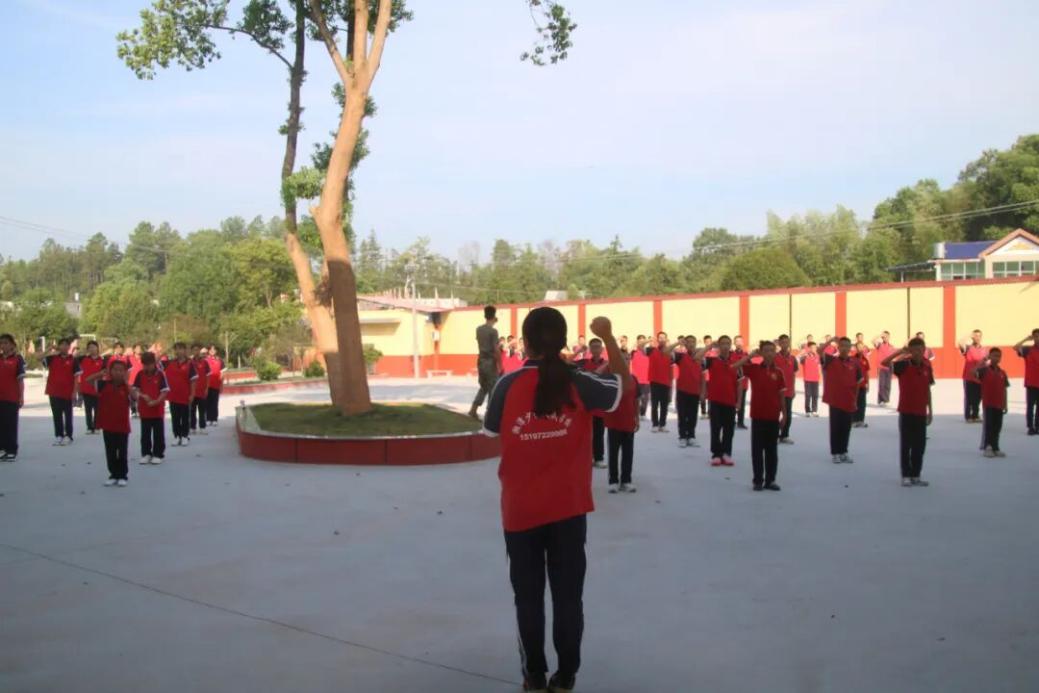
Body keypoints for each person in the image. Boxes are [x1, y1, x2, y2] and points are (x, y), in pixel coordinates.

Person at [483, 308, 629, 693]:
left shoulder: (507, 385)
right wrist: (607, 335)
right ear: (564, 342)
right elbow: (623, 385)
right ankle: (565, 677)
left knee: (527, 598)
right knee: (568, 598)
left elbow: (491, 430)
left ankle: (533, 675)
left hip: (520, 511)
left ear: (525, 342)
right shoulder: (580, 381)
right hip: (568, 510)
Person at [735, 342, 787, 491]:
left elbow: (782, 395)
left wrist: (785, 415)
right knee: (757, 451)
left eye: (772, 350)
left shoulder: (779, 372)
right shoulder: (754, 369)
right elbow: (736, 366)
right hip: (758, 416)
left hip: (773, 416)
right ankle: (758, 480)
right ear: (761, 353)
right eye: (766, 351)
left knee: (772, 451)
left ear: (775, 353)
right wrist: (751, 355)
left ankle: (770, 480)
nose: (769, 353)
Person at [883, 339, 935, 487]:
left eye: (920, 349)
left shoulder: (927, 366)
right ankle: (906, 475)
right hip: (906, 411)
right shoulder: (903, 365)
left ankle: (916, 475)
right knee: (906, 445)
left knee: (920, 446)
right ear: (910, 351)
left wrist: (930, 411)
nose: (918, 352)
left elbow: (928, 390)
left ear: (924, 349)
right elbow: (884, 363)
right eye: (914, 350)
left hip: (921, 412)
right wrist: (900, 351)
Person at [84, 360, 133, 487]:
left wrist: (127, 382)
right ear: (110, 371)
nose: (118, 372)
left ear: (125, 372)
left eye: (121, 370)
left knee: (122, 451)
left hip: (122, 425)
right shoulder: (103, 384)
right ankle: (113, 474)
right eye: (115, 369)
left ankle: (122, 475)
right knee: (110, 451)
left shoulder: (127, 387)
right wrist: (100, 374)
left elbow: (135, 396)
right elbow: (88, 380)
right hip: (108, 424)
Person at [698, 335, 741, 467]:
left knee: (729, 429)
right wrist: (710, 346)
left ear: (731, 345)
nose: (725, 346)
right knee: (715, 428)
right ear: (719, 345)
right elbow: (697, 357)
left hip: (730, 400)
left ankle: (726, 453)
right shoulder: (711, 360)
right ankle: (716, 454)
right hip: (715, 400)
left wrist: (739, 401)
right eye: (723, 343)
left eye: (728, 343)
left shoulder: (736, 362)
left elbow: (739, 383)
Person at [823, 337, 863, 464]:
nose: (845, 348)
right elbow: (819, 350)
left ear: (850, 347)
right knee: (835, 427)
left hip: (848, 400)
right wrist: (830, 340)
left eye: (847, 345)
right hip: (835, 400)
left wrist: (855, 399)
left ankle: (843, 452)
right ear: (838, 347)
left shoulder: (855, 363)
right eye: (842, 345)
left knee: (846, 428)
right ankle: (835, 453)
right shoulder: (831, 360)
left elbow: (858, 383)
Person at [604, 371, 639, 494]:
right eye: (623, 360)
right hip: (614, 422)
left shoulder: (633, 379)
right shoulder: (610, 378)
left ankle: (626, 480)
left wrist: (637, 418)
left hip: (628, 422)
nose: (626, 362)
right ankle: (613, 481)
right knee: (613, 453)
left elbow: (636, 399)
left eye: (627, 361)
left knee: (628, 453)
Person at [133, 352, 169, 465]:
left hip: (157, 409)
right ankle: (146, 453)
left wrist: (156, 401)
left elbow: (165, 391)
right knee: (145, 434)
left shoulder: (160, 374)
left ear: (154, 363)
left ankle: (158, 454)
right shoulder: (140, 374)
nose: (147, 367)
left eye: (149, 364)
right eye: (144, 364)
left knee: (158, 433)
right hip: (144, 409)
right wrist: (142, 396)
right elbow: (135, 390)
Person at [468, 306, 502, 419]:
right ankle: (490, 414)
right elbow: (496, 349)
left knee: (484, 386)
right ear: (494, 316)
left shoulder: (479, 329)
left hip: (481, 360)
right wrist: (500, 365)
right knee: (493, 387)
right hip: (490, 361)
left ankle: (473, 409)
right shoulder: (493, 331)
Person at [975, 349, 1010, 458]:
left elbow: (1004, 389)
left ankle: (995, 447)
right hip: (988, 404)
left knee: (997, 426)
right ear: (990, 356)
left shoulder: (1002, 373)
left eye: (999, 356)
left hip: (999, 404)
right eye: (994, 355)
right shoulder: (984, 371)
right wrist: (982, 362)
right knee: (989, 426)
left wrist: (1005, 404)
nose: (997, 358)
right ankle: (987, 447)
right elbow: (972, 372)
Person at [581, 338, 609, 469]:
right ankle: (587, 457)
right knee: (586, 434)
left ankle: (598, 457)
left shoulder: (608, 364)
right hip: (587, 405)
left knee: (599, 433)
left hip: (600, 404)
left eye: (598, 346)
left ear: (602, 349)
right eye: (594, 347)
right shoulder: (585, 364)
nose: (596, 349)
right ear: (590, 349)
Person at [162, 342, 197, 446]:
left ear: (185, 351)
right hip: (173, 395)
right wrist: (164, 351)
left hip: (185, 395)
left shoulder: (190, 364)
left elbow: (193, 381)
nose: (178, 351)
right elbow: (155, 362)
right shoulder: (169, 363)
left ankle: (185, 436)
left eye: (181, 349)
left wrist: (192, 394)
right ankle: (177, 436)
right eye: (176, 349)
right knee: (175, 417)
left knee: (185, 417)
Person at [44, 338, 77, 446]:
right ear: (58, 346)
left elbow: (76, 377)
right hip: (53, 391)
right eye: (61, 344)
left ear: (69, 347)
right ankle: (59, 435)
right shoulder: (52, 358)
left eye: (66, 345)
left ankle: (68, 435)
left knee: (68, 415)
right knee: (56, 414)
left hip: (67, 391)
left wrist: (74, 391)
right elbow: (39, 358)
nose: (64, 346)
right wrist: (49, 349)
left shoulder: (73, 360)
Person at [673, 336, 703, 448]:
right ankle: (682, 437)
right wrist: (677, 343)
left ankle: (691, 436)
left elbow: (702, 377)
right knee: (682, 415)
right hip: (682, 390)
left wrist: (703, 392)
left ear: (695, 343)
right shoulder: (680, 356)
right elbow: (666, 352)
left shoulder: (700, 358)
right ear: (685, 345)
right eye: (688, 342)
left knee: (692, 416)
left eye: (693, 342)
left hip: (695, 391)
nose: (691, 344)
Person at [0, 334, 25, 461]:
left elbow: (20, 380)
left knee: (10, 424)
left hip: (11, 397)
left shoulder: (17, 359)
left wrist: (21, 396)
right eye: (1, 343)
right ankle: (2, 449)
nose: (3, 345)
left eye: (6, 343)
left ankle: (11, 450)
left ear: (12, 345)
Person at [646, 332, 676, 432]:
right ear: (657, 339)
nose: (662, 339)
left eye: (664, 338)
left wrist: (671, 380)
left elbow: (671, 365)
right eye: (660, 338)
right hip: (654, 380)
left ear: (666, 339)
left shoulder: (671, 352)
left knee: (664, 405)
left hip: (665, 381)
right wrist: (649, 340)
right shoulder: (651, 350)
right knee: (654, 404)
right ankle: (655, 424)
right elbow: (639, 346)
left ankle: (662, 424)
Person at [75, 340, 106, 435]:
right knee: (88, 409)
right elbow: (74, 358)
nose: (92, 349)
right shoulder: (83, 359)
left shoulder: (102, 360)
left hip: (98, 387)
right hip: (86, 387)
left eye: (94, 347)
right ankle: (89, 427)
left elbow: (105, 372)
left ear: (97, 348)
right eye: (90, 347)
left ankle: (97, 426)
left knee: (97, 409)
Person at [1013, 329, 1039, 435]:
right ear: (1033, 338)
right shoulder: (1028, 350)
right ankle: (1030, 427)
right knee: (1030, 406)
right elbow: (1015, 347)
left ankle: (1037, 426)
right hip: (1031, 382)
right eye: (1036, 336)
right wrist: (1026, 339)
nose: (1038, 338)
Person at [775, 334, 798, 442]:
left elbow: (794, 374)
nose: (785, 344)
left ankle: (784, 435)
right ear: (779, 343)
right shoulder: (774, 357)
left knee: (788, 414)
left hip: (788, 391)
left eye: (787, 342)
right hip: (776, 391)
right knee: (774, 414)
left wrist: (793, 389)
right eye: (783, 342)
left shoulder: (793, 358)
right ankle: (774, 434)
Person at [960, 330, 986, 423]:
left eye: (979, 336)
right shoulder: (968, 348)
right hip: (969, 376)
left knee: (978, 397)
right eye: (975, 336)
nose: (977, 338)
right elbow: (960, 343)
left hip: (979, 377)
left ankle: (975, 415)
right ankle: (968, 416)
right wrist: (969, 335)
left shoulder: (984, 350)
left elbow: (986, 362)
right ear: (972, 337)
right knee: (969, 397)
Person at [189, 344, 211, 436]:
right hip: (192, 391)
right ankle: (192, 428)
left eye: (197, 350)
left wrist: (207, 388)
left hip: (202, 391)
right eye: (194, 350)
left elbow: (208, 376)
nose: (196, 351)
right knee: (192, 411)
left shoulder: (205, 362)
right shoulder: (189, 362)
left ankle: (202, 427)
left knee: (202, 411)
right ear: (192, 351)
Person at [872, 331, 895, 405]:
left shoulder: (891, 346)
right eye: (884, 337)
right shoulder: (879, 345)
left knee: (887, 385)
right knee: (881, 385)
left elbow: (893, 357)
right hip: (881, 367)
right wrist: (880, 335)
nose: (885, 338)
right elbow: (873, 341)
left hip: (889, 367)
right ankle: (881, 400)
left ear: (889, 337)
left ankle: (886, 400)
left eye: (886, 337)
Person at [630, 335, 651, 419]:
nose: (642, 343)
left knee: (645, 398)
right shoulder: (633, 352)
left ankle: (643, 413)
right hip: (636, 379)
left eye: (643, 341)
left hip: (647, 379)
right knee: (636, 398)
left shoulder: (648, 352)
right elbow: (628, 351)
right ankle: (635, 413)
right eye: (640, 341)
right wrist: (637, 344)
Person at [799, 341, 821, 417]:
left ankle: (814, 410)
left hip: (815, 379)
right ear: (809, 348)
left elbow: (819, 367)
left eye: (815, 347)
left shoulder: (818, 356)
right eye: (812, 347)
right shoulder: (805, 357)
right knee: (808, 395)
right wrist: (803, 354)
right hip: (807, 379)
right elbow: (799, 360)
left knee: (815, 395)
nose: (814, 349)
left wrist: (820, 377)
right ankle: (808, 411)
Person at [852, 341, 871, 429]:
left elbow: (867, 373)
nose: (860, 349)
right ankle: (853, 420)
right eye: (858, 347)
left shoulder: (865, 360)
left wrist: (868, 384)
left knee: (862, 404)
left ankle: (861, 420)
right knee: (854, 402)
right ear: (856, 348)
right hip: (855, 385)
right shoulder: (852, 359)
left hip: (863, 385)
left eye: (862, 347)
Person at [205, 346, 224, 426]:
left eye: (214, 349)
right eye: (211, 349)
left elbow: (222, 373)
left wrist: (221, 385)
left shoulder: (220, 360)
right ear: (208, 351)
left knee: (215, 403)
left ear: (216, 351)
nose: (212, 351)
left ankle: (214, 419)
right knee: (207, 402)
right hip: (207, 385)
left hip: (216, 385)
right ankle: (208, 419)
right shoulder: (205, 360)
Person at [734, 335, 749, 429]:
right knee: (732, 403)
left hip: (743, 383)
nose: (739, 343)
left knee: (742, 403)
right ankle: (732, 421)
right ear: (734, 343)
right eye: (737, 341)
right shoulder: (731, 354)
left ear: (743, 343)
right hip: (732, 383)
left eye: (740, 341)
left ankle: (740, 422)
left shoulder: (747, 355)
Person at [700, 335, 713, 416]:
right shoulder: (702, 352)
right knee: (703, 394)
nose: (708, 343)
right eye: (707, 342)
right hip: (703, 376)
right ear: (704, 342)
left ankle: (710, 412)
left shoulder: (715, 353)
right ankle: (703, 411)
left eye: (709, 342)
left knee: (711, 394)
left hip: (712, 377)